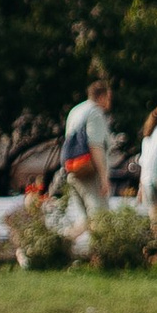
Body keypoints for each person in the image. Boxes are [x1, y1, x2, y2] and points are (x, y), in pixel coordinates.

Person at [60, 70, 114, 216]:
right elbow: (95, 145)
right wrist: (103, 177)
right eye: (108, 98)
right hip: (89, 171)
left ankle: (70, 233)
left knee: (84, 219)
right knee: (100, 216)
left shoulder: (76, 110)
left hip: (73, 169)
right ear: (102, 97)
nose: (109, 102)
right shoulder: (95, 113)